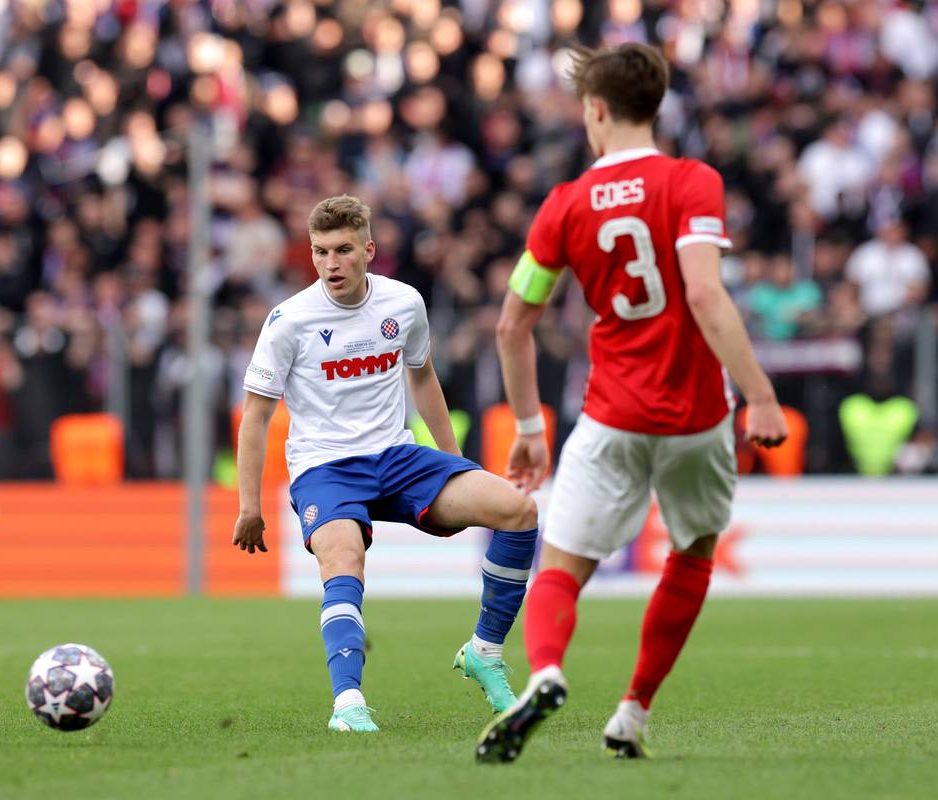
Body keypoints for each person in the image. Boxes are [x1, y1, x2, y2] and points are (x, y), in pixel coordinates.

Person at [476, 43, 788, 763]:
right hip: (697, 419)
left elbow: (510, 324)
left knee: (562, 564)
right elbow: (706, 293)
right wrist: (760, 395)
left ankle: (547, 670)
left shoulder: (563, 204)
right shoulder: (692, 181)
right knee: (694, 550)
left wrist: (529, 427)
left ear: (595, 111)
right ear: (657, 107)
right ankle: (633, 710)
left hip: (612, 414)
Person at [233, 195, 539, 733]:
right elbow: (256, 416)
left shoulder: (404, 304)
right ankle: (348, 704)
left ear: (368, 250)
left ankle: (484, 651)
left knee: (517, 510)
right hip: (325, 467)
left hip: (397, 457)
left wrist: (454, 463)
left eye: (344, 249)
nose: (331, 263)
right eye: (320, 251)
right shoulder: (290, 321)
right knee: (344, 559)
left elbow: (422, 379)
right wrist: (249, 505)